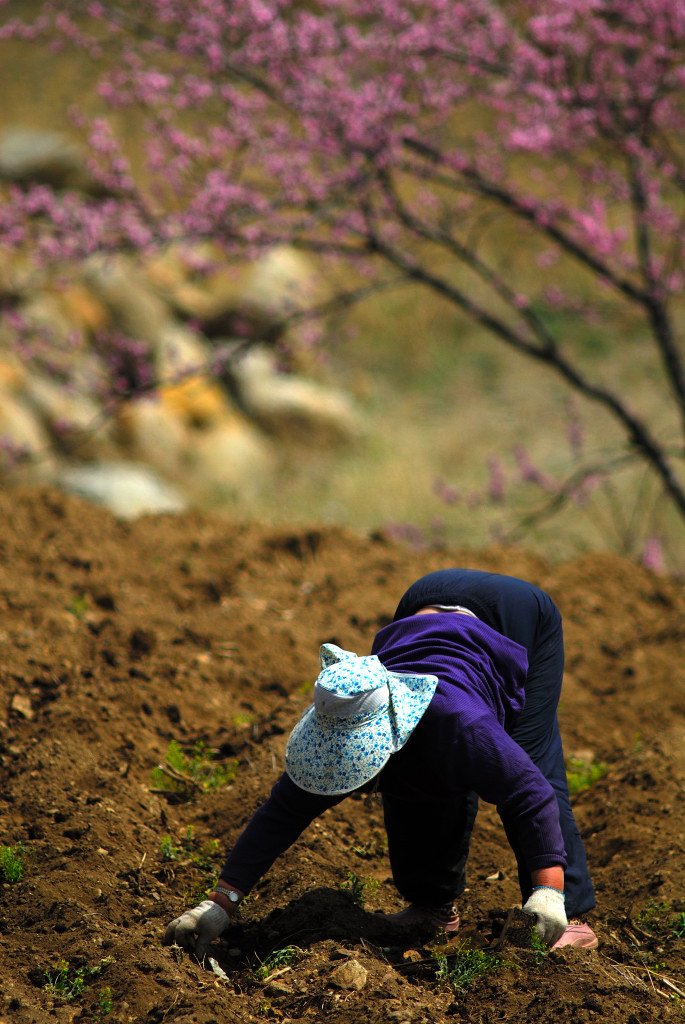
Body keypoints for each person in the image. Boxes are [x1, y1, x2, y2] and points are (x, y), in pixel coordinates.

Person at [164, 568, 598, 961]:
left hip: (516, 614)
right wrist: (220, 903)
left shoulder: (461, 724)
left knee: (529, 758)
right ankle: (433, 905)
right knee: (411, 782)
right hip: (424, 596)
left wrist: (547, 889)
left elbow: (529, 793)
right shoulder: (345, 713)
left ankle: (569, 914)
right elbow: (281, 813)